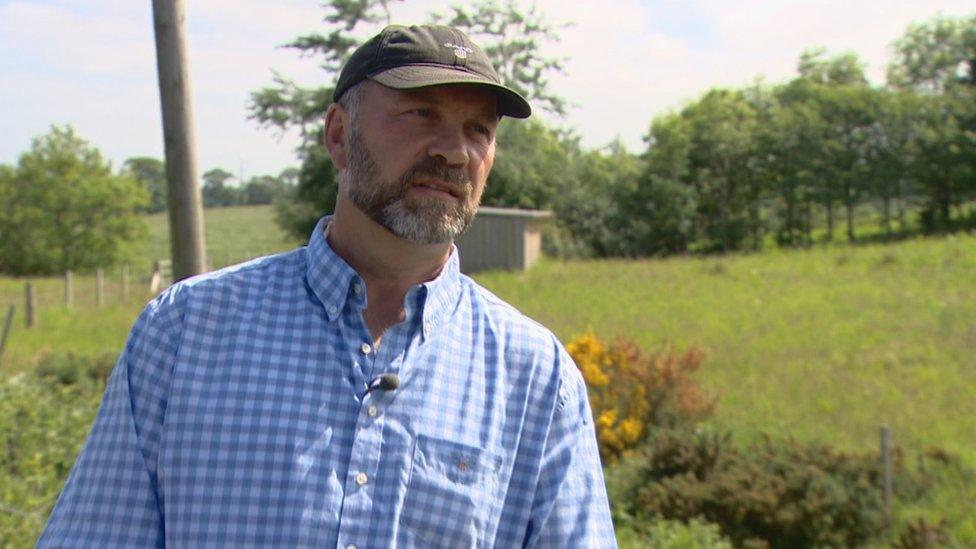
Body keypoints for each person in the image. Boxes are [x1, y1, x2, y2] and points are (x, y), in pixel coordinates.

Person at [39, 24, 615, 548]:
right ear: (339, 135)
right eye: (421, 115)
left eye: (478, 130)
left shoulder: (536, 378)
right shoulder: (186, 332)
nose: (453, 151)